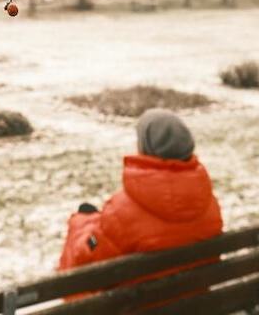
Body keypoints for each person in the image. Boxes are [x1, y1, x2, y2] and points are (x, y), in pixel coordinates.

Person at [58, 109, 223, 280]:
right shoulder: (210, 205)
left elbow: (88, 253)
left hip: (139, 305)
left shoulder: (120, 213)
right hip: (198, 300)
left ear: (145, 145)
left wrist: (79, 223)